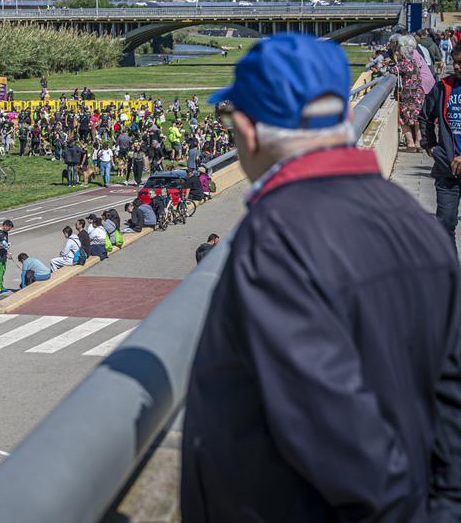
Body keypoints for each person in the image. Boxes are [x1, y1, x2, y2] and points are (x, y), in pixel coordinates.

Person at [183, 33, 461, 522]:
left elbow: (343, 441)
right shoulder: (415, 223)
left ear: (247, 128)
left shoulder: (274, 240)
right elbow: (450, 401)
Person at [420, 48, 461, 241]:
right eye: (454, 61)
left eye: (460, 62)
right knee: (444, 227)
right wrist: (430, 146)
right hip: (447, 172)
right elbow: (425, 117)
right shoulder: (442, 87)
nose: (456, 66)